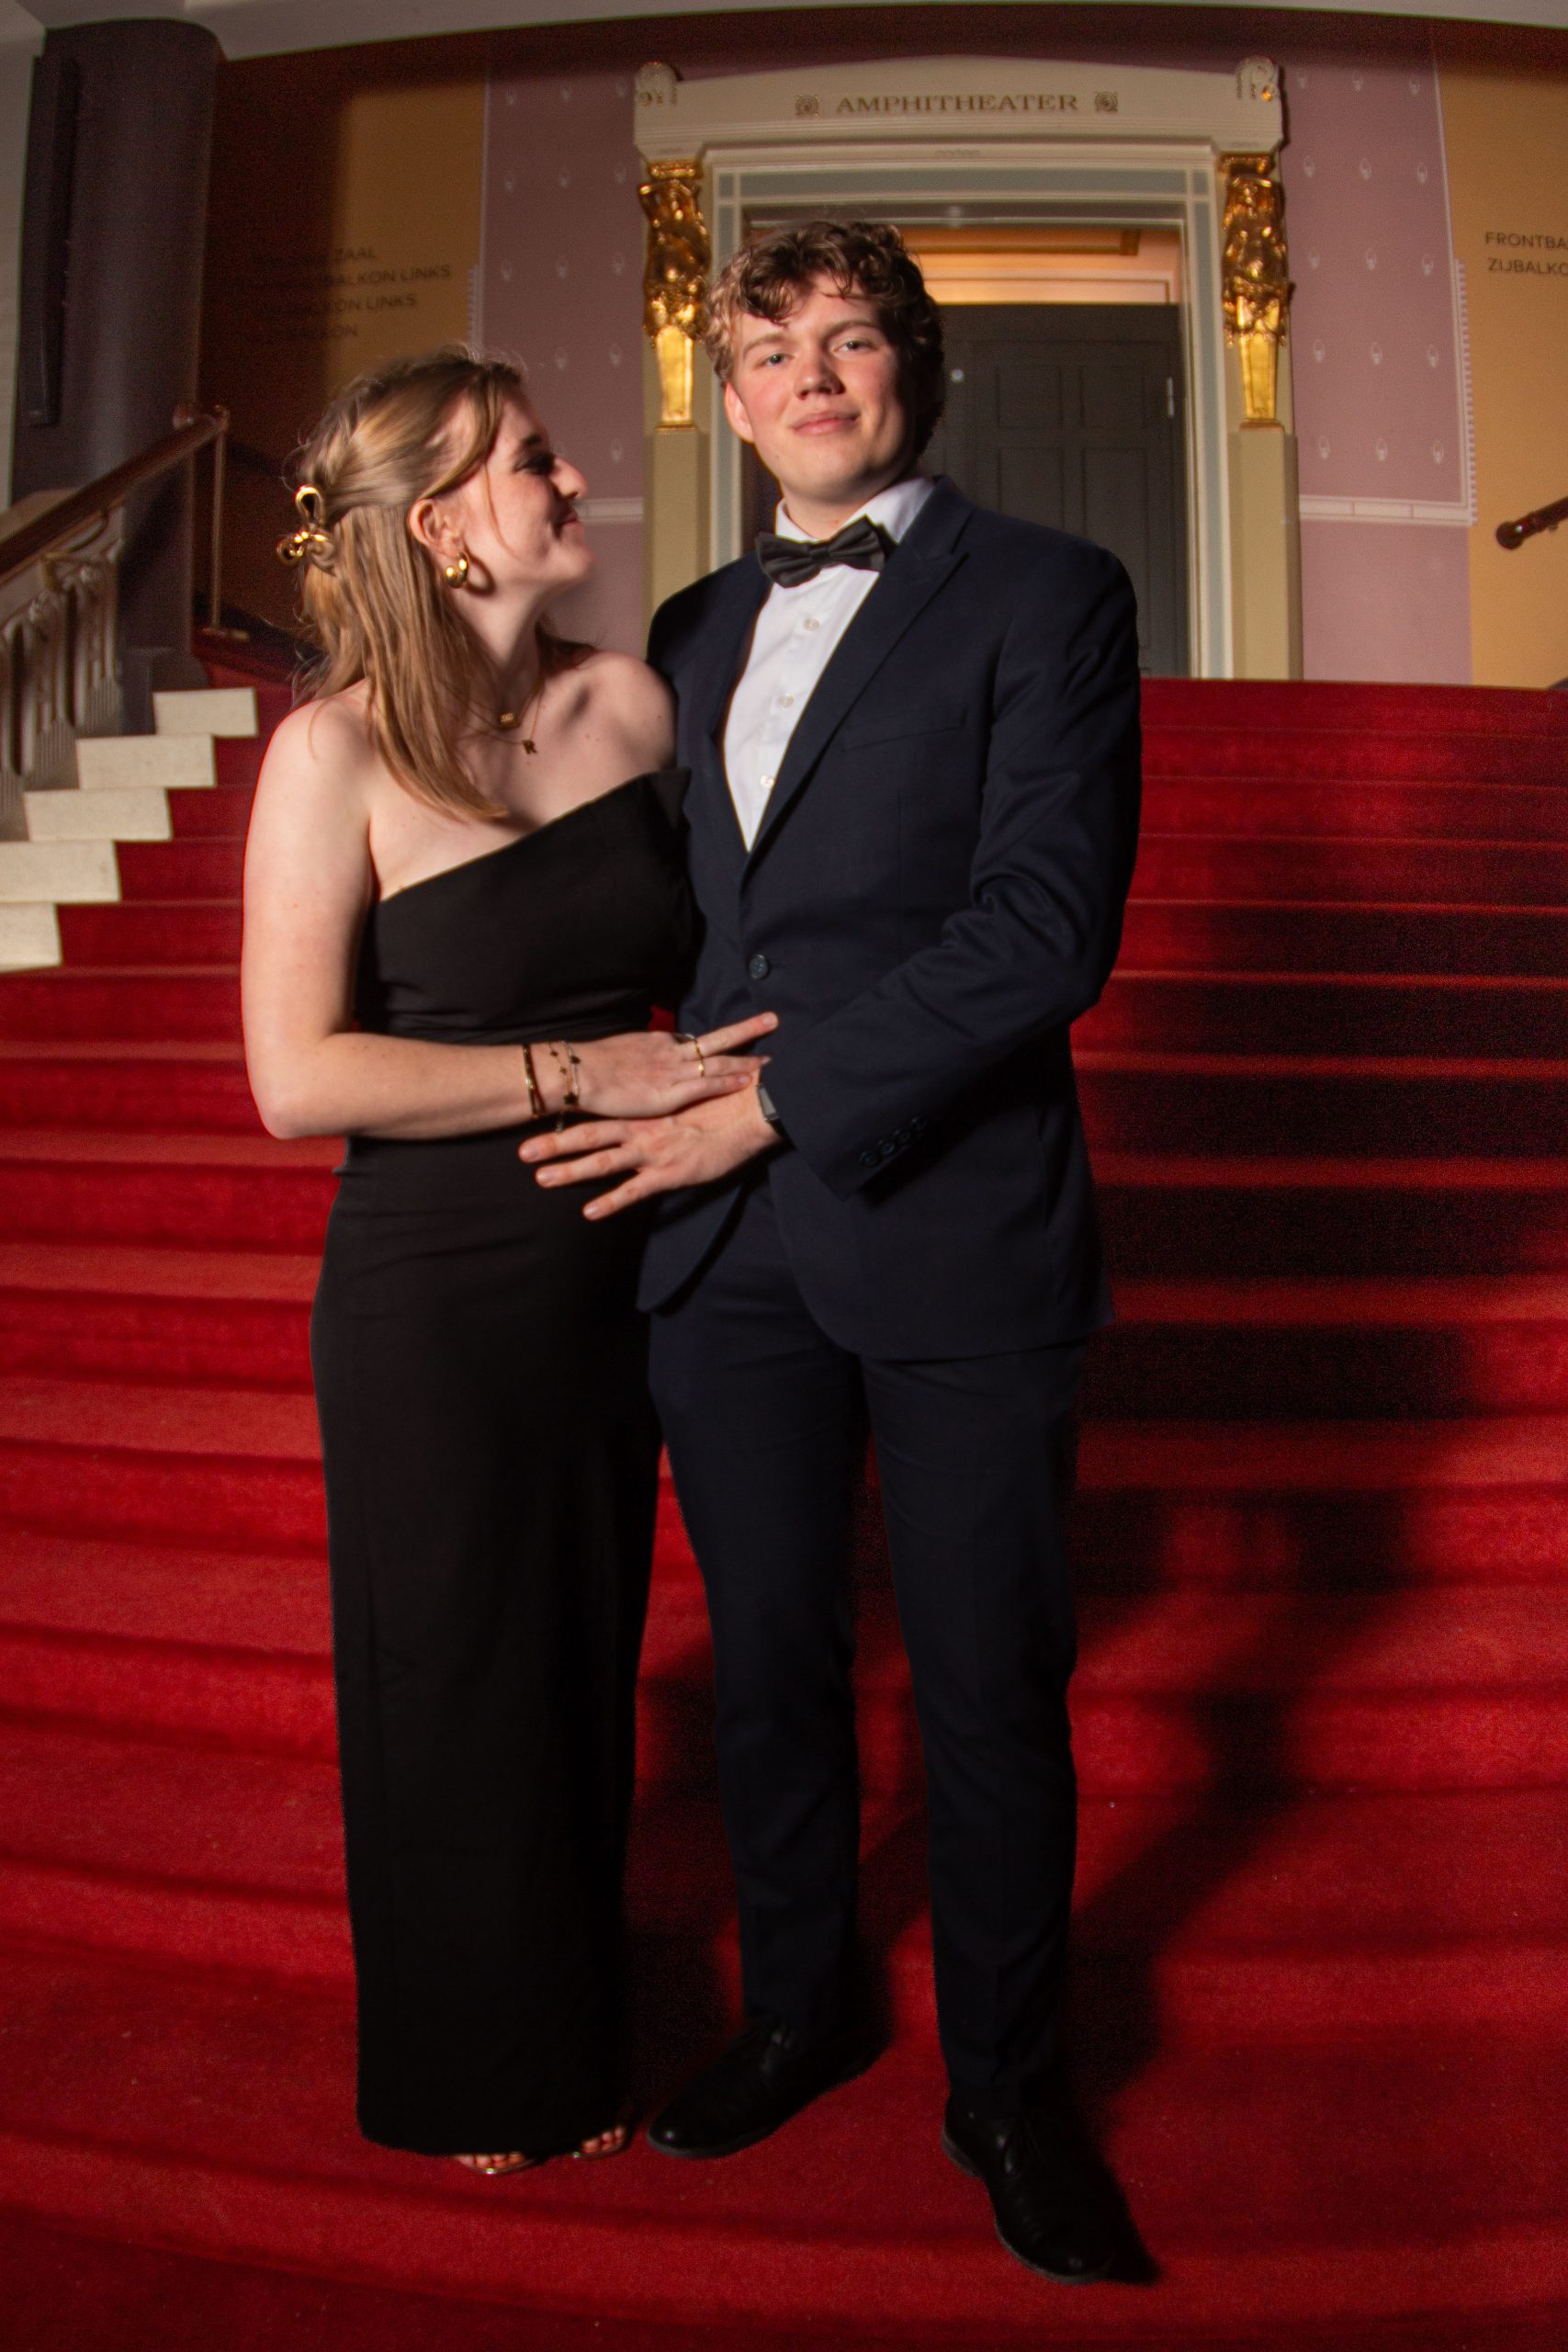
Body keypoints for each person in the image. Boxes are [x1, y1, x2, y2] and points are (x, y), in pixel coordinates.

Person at [520, 221, 1142, 2279]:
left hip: (954, 1218)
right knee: (773, 1668)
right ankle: (800, 2007)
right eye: (770, 345)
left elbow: (1042, 930)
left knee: (987, 1684)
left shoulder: (1049, 592)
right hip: (726, 1249)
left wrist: (774, 1102)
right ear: (729, 396)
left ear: (912, 372)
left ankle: (1008, 2083)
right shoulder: (687, 625)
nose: (810, 373)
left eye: (852, 338)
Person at [240, 346, 774, 2176]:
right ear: (441, 526)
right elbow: (296, 1078)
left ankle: (569, 2009)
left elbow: (730, 959)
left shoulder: (632, 699)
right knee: (457, 1672)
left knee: (576, 1652)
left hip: (626, 1259)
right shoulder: (332, 751)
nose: (571, 479)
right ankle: (478, 2071)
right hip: (435, 1285)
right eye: (531, 461)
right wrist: (574, 1069)